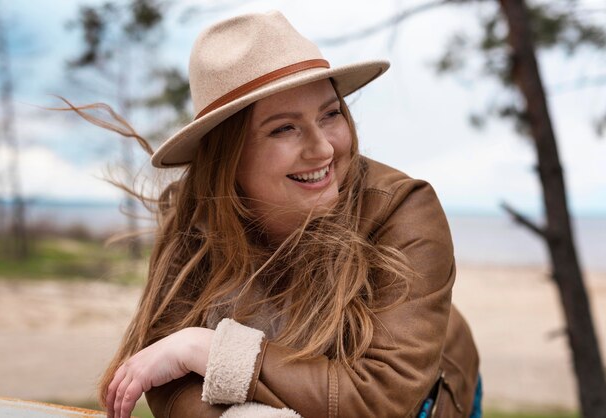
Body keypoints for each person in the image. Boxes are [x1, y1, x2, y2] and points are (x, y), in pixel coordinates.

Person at [96, 10, 481, 418]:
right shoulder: (194, 219)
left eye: (330, 114)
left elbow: (382, 397)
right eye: (284, 128)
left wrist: (209, 350)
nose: (323, 149)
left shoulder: (402, 209)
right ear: (228, 156)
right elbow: (167, 374)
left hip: (427, 396)